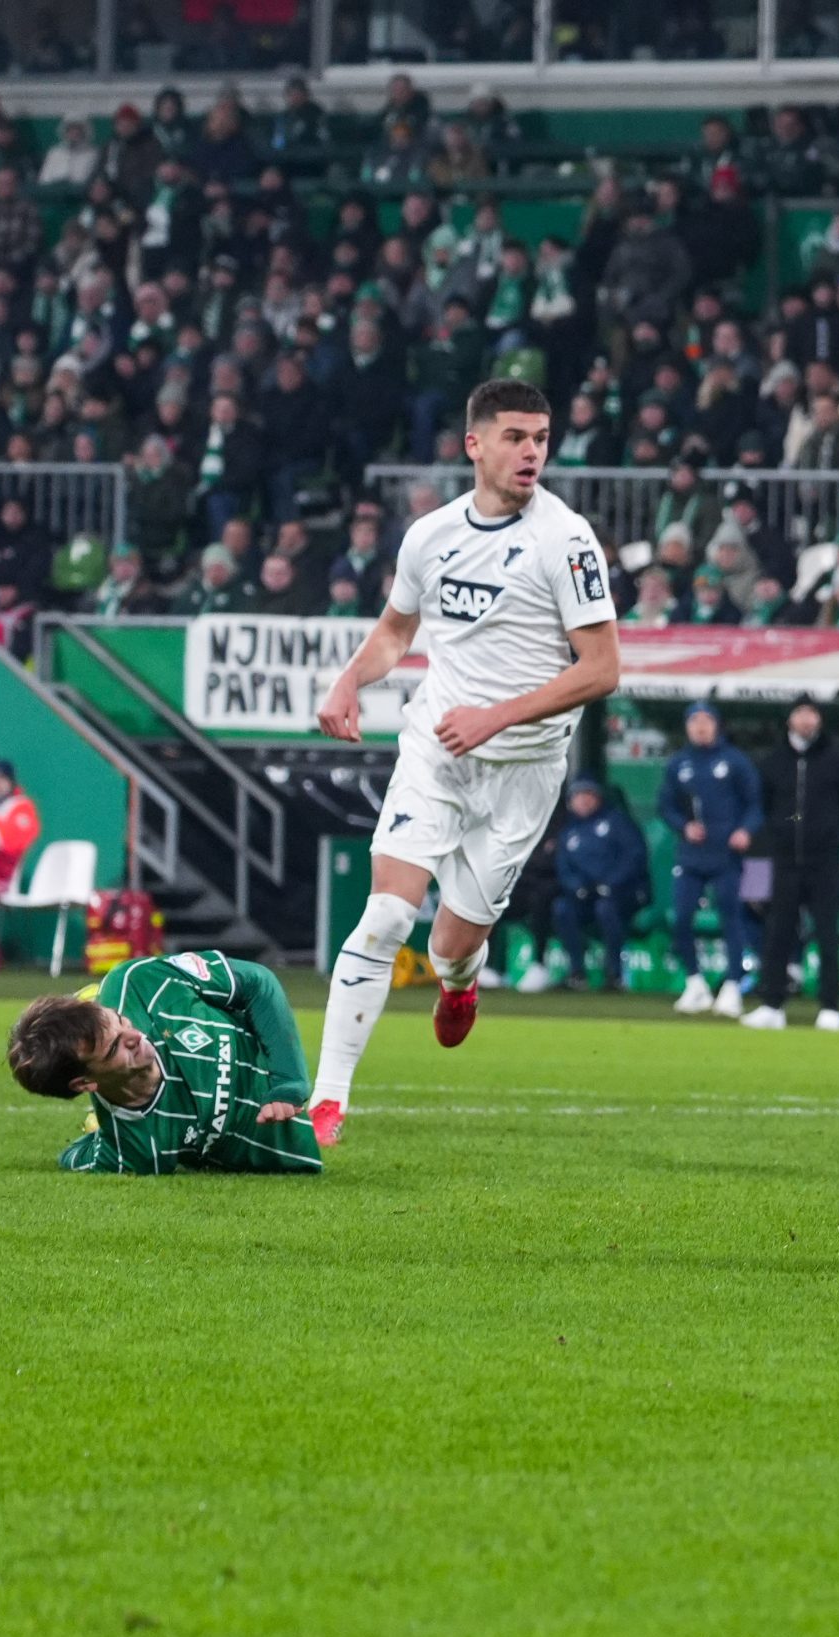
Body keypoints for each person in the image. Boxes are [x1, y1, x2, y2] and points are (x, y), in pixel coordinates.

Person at [308, 380, 621, 1145]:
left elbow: (603, 669)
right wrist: (349, 680)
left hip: (522, 769)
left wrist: (497, 716)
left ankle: (459, 983)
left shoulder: (566, 540)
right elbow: (395, 631)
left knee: (450, 946)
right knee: (386, 913)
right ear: (474, 444)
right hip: (437, 750)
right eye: (515, 437)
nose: (531, 452)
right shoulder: (430, 534)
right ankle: (327, 1100)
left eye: (541, 438)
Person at [6, 950, 323, 1175]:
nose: (135, 1036)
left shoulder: (137, 981)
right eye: (115, 1047)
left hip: (287, 1087)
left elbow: (257, 982)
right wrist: (106, 1128)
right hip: (288, 1153)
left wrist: (288, 1082)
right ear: (85, 1083)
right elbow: (71, 1156)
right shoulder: (134, 1153)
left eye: (121, 1020)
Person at [739, 698, 839, 1031]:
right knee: (777, 933)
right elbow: (764, 807)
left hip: (825, 862)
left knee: (827, 934)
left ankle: (831, 1007)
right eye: (800, 714)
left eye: (812, 714)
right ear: (789, 720)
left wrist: (833, 836)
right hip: (785, 862)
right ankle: (772, 1005)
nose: (807, 720)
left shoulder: (837, 759)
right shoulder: (773, 761)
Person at [658, 701, 762, 1016]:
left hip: (727, 855)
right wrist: (684, 826)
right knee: (681, 917)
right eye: (694, 721)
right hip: (691, 856)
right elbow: (666, 806)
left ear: (717, 725)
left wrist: (745, 830)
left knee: (732, 917)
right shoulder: (678, 764)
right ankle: (695, 983)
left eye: (706, 720)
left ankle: (732, 985)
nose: (700, 727)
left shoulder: (735, 761)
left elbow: (755, 804)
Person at [552, 776, 646, 991]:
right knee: (562, 908)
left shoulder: (617, 822)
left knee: (606, 909)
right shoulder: (569, 831)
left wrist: (611, 883)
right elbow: (564, 868)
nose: (584, 800)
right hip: (584, 896)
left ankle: (615, 974)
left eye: (589, 795)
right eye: (579, 796)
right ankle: (577, 973)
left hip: (620, 894)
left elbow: (634, 858)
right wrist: (577, 887)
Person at [0, 757, 40, 899]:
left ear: (11, 783)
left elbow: (8, 843)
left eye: (1, 779)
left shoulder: (22, 808)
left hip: (0, 881)